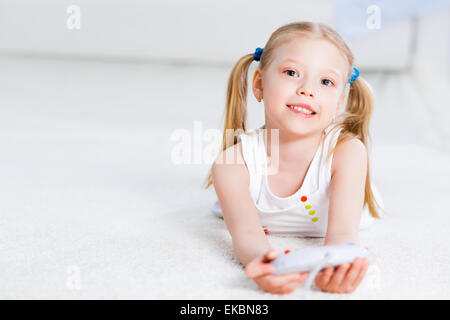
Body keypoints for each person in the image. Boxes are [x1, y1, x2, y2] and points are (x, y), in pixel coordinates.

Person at [203, 22, 386, 294]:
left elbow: (341, 236)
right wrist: (266, 266)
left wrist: (338, 265)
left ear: (338, 102)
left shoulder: (347, 153)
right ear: (259, 84)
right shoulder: (232, 165)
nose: (307, 90)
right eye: (291, 72)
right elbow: (248, 238)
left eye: (326, 81)